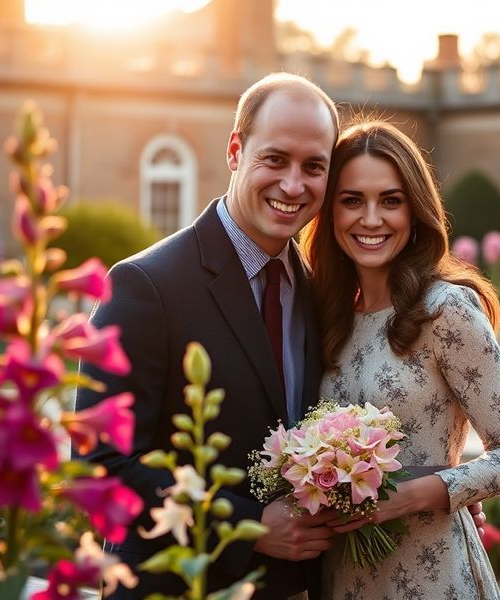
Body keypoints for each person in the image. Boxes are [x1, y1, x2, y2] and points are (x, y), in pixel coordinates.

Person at [75, 73, 341, 599]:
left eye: (314, 167)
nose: (293, 185)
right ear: (235, 151)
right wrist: (249, 526)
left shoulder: (318, 292)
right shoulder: (145, 285)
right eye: (275, 159)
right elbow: (100, 464)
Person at [301, 121, 500, 599]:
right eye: (352, 200)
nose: (371, 219)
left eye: (390, 200)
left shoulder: (445, 309)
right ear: (330, 213)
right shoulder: (326, 316)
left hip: (432, 575)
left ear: (415, 211)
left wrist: (410, 496)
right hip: (342, 576)